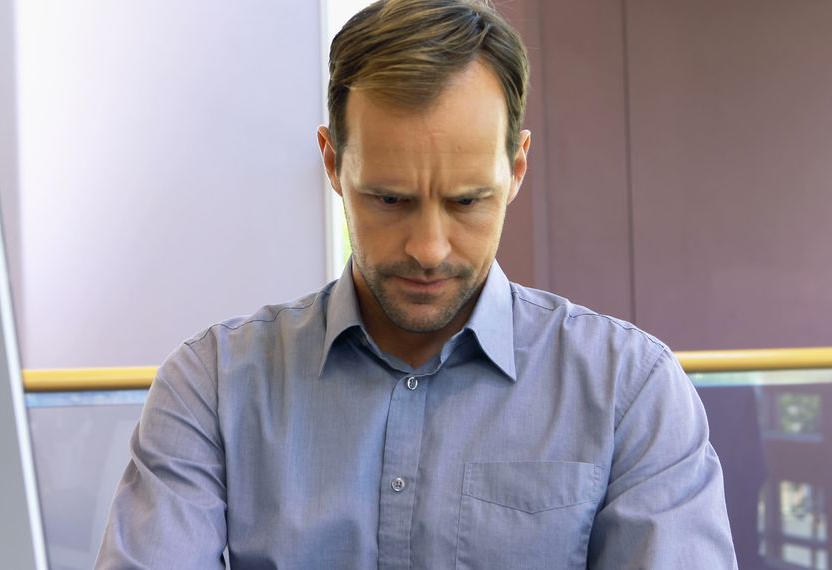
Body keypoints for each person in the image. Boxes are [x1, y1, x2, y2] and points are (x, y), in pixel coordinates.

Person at [96, 0, 737, 568]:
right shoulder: (212, 388)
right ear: (331, 163)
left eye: (466, 201)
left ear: (516, 169)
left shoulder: (631, 391)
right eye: (390, 199)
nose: (428, 250)